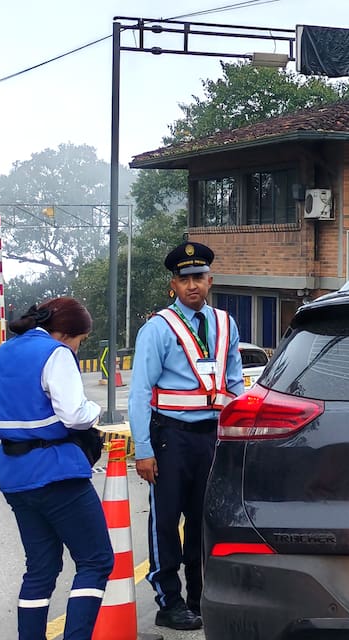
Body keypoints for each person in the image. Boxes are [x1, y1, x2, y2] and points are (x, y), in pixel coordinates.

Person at [0, 298, 114, 640]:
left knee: (40, 569)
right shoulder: (55, 353)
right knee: (95, 561)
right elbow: (74, 414)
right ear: (69, 333)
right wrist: (95, 410)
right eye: (80, 340)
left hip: (13, 475)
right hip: (56, 474)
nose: (76, 347)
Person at [130, 240, 244, 631]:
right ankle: (169, 601)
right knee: (166, 522)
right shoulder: (158, 328)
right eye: (184, 279)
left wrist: (236, 440)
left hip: (211, 436)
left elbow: (235, 388)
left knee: (203, 520)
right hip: (171, 437)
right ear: (173, 286)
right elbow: (140, 393)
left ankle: (199, 597)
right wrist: (143, 450)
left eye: (199, 277)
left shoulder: (227, 324)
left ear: (211, 280)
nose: (192, 285)